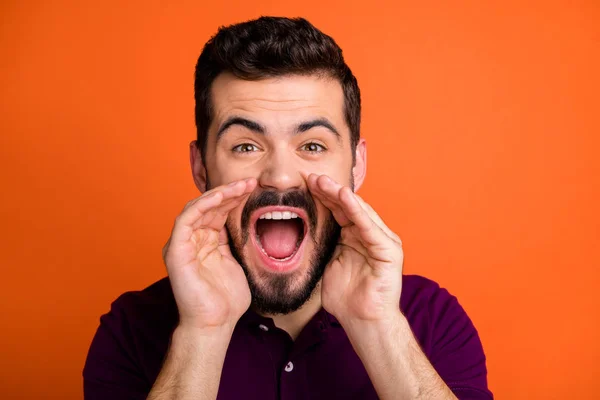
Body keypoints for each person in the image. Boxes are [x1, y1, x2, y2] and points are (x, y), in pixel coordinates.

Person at [83, 16, 492, 400]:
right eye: (245, 146)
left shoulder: (430, 320)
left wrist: (377, 327)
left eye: (312, 145)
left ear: (357, 164)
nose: (280, 177)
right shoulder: (132, 330)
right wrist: (202, 333)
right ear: (201, 167)